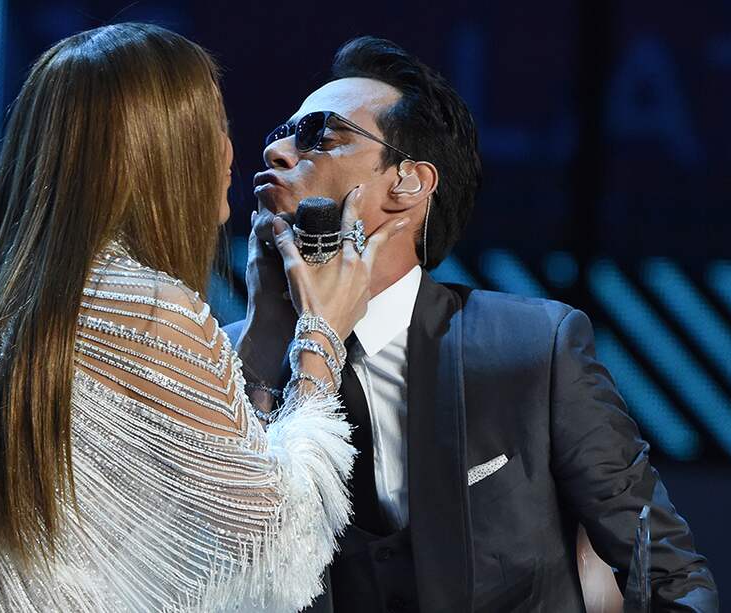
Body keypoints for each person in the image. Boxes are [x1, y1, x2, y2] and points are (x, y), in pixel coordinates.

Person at [0, 23, 409, 612]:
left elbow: (205, 502)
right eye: (214, 122)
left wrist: (264, 333)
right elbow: (276, 552)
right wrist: (320, 336)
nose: (238, 150)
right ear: (162, 148)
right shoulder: (150, 309)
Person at [227, 36, 719, 611]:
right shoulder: (230, 358)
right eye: (279, 136)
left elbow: (669, 575)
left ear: (408, 182)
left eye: (321, 137)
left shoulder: (531, 348)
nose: (279, 153)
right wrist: (259, 363)